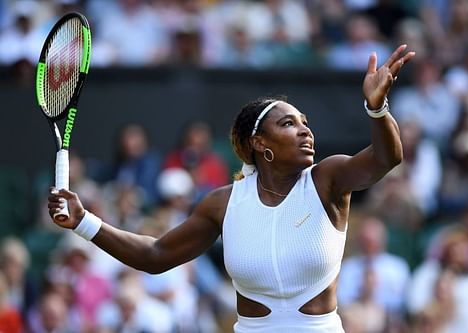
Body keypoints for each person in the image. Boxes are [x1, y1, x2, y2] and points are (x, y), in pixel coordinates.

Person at [47, 44, 415, 332]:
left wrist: (377, 108)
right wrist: (84, 222)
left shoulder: (328, 179)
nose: (306, 130)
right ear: (259, 143)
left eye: (306, 122)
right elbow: (156, 255)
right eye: (289, 123)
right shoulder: (223, 205)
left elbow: (387, 159)